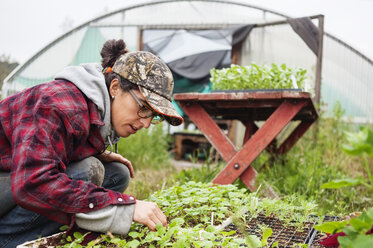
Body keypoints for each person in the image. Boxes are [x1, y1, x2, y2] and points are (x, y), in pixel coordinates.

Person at [0, 39, 183, 247]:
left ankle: (51, 237)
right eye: (143, 108)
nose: (146, 123)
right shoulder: (59, 104)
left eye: (154, 116)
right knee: (87, 171)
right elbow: (32, 183)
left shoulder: (90, 109)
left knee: (116, 173)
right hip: (22, 183)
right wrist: (126, 208)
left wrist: (92, 151)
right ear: (115, 87)